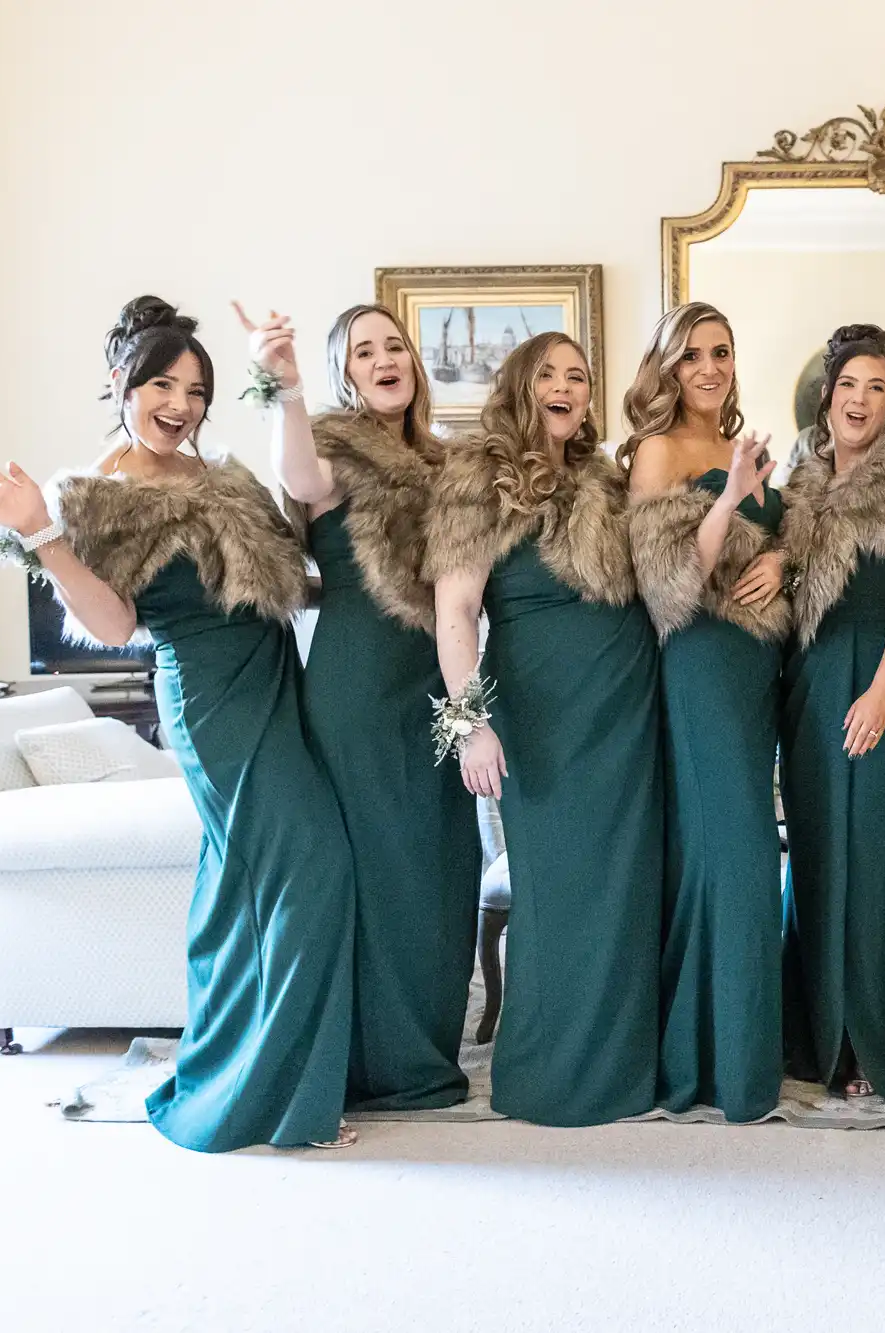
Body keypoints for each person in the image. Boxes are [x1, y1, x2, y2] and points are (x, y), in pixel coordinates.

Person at [0, 296, 356, 1151]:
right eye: (161, 384)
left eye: (197, 389)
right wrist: (42, 535)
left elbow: (300, 555)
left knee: (243, 879)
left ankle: (248, 1064)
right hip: (209, 693)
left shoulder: (222, 476)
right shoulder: (93, 496)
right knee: (305, 866)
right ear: (120, 385)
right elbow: (108, 624)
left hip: (274, 674)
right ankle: (270, 1093)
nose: (181, 403)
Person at [234, 301, 481, 1112]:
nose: (385, 358)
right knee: (375, 869)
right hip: (354, 684)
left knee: (441, 863)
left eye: (395, 346)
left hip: (435, 679)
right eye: (365, 350)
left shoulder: (451, 464)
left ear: (414, 362)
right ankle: (369, 1060)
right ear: (347, 371)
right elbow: (301, 480)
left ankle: (424, 1049)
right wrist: (289, 388)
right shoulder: (331, 447)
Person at [426, 331, 664, 1126]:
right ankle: (548, 1073)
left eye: (580, 376)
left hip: (627, 704)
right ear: (520, 385)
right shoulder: (475, 475)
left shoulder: (606, 478)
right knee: (559, 893)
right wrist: (469, 727)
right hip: (545, 713)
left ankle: (625, 1068)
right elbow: (454, 611)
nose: (567, 387)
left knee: (624, 892)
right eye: (550, 374)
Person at [624, 302, 790, 1123]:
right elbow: (668, 584)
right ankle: (714, 1062)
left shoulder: (741, 445)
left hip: (758, 666)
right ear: (669, 366)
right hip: (698, 662)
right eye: (691, 355)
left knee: (726, 851)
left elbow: (778, 538)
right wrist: (730, 495)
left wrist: (787, 555)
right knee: (740, 853)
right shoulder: (657, 451)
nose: (709, 367)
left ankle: (734, 1048)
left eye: (721, 351)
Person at [777, 323, 885, 1102]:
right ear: (826, 392)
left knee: (878, 858)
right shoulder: (803, 482)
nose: (860, 398)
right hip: (811, 685)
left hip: (884, 676)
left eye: (878, 387)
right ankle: (818, 1032)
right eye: (850, 383)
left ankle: (873, 1035)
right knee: (818, 856)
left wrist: (880, 695)